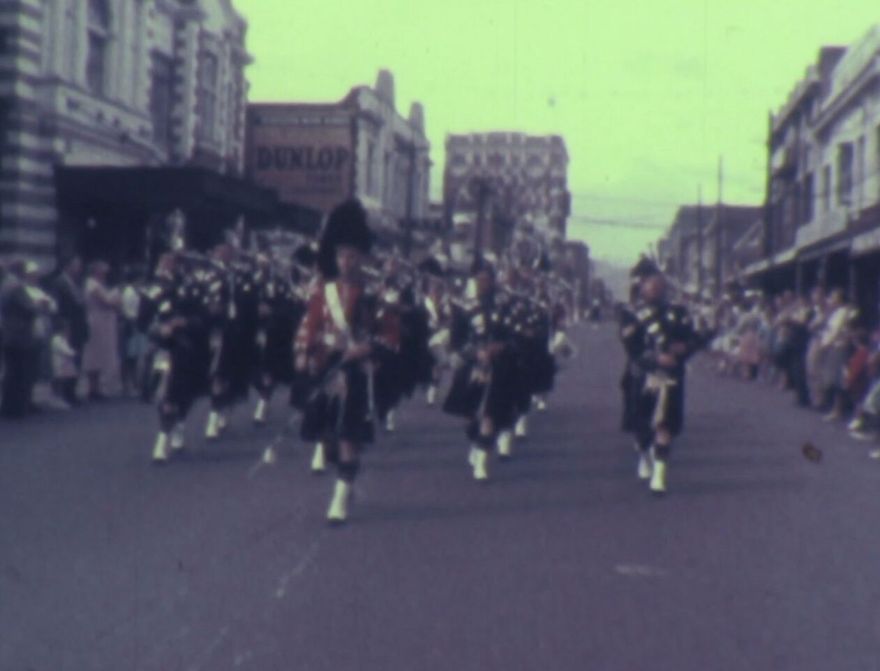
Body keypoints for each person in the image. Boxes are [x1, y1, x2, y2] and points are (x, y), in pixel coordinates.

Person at [294, 199, 393, 524]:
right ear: (335, 257)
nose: (346, 261)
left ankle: (339, 499)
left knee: (349, 436)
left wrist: (366, 349)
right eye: (341, 255)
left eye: (352, 255)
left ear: (361, 257)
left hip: (356, 372)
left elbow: (391, 335)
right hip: (325, 367)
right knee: (328, 439)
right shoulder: (324, 292)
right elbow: (310, 326)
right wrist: (304, 353)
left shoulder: (375, 293)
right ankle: (345, 478)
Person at [628, 261, 700, 495]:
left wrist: (683, 350)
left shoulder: (678, 313)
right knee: (641, 425)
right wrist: (655, 359)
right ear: (643, 288)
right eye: (652, 286)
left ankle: (660, 474)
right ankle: (644, 455)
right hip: (644, 375)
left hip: (671, 376)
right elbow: (632, 346)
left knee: (665, 423)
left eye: (661, 286)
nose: (657, 290)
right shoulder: (634, 315)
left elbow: (693, 340)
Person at [82, 260, 121, 399]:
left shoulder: (101, 284)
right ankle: (92, 388)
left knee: (101, 354)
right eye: (103, 269)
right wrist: (116, 295)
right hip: (97, 320)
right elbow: (107, 301)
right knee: (94, 353)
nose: (106, 272)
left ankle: (97, 387)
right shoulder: (92, 285)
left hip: (105, 320)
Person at [51, 319, 79, 407]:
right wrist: (73, 353)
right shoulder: (57, 339)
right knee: (61, 382)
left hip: (67, 365)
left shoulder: (64, 339)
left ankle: (68, 397)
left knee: (69, 380)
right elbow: (65, 350)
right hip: (60, 365)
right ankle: (58, 398)